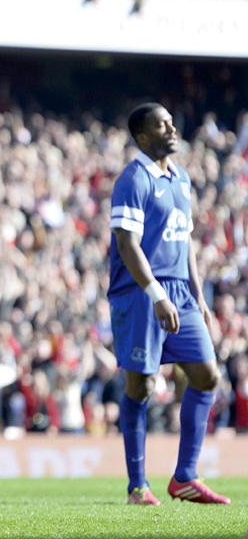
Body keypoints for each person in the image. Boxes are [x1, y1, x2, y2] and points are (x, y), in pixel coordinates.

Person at [108, 102, 231, 506]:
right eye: (161, 125)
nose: (172, 129)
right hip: (142, 292)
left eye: (171, 123)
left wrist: (199, 295)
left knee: (206, 375)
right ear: (142, 137)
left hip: (181, 290)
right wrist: (156, 295)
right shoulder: (133, 179)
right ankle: (137, 486)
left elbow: (185, 241)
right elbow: (127, 244)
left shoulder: (180, 179)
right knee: (141, 385)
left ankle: (185, 478)